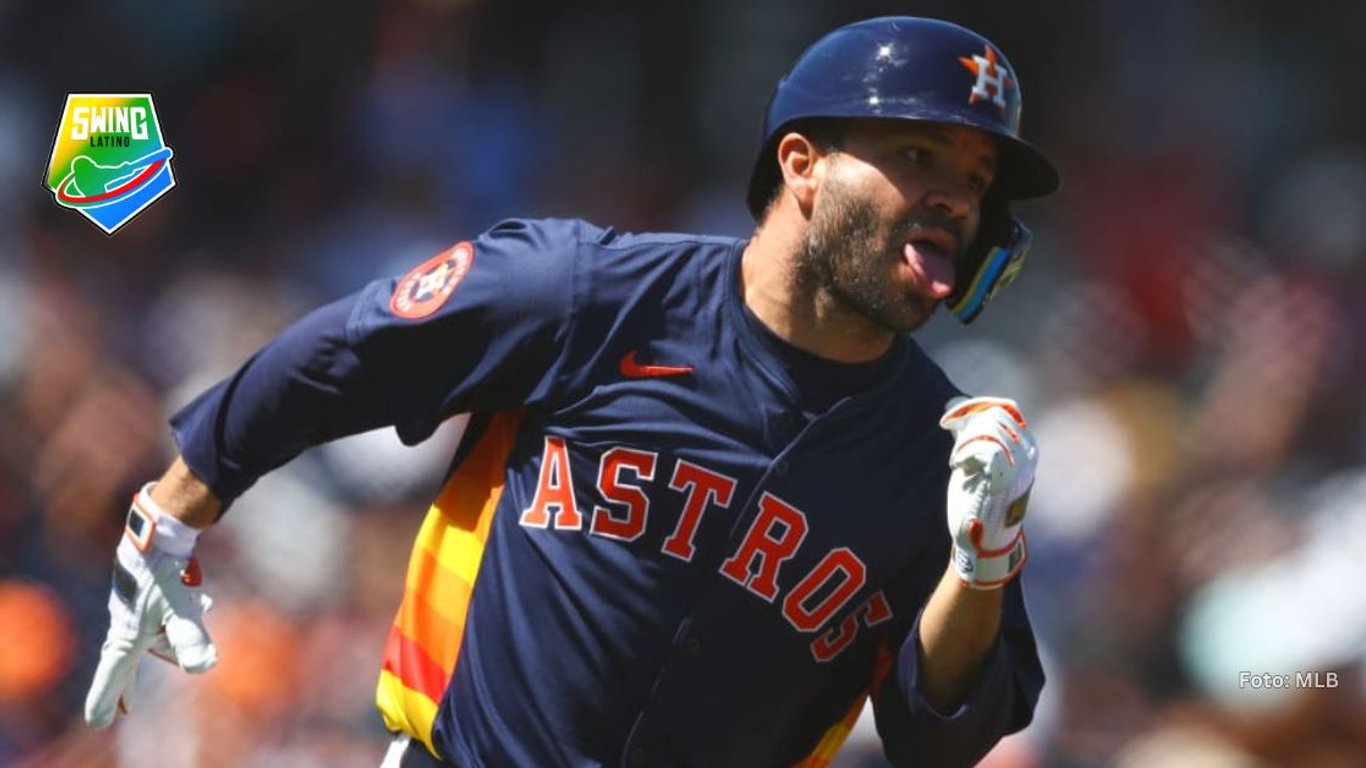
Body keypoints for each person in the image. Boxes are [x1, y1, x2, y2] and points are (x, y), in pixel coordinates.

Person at [83, 16, 1059, 768]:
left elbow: (942, 736)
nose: (955, 200)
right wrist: (171, 512)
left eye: (976, 180)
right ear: (803, 166)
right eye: (919, 156)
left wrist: (980, 567)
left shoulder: (945, 458)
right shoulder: (589, 295)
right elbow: (342, 355)